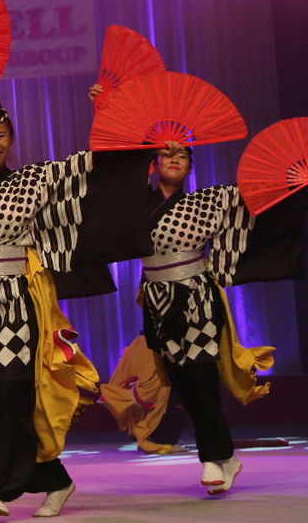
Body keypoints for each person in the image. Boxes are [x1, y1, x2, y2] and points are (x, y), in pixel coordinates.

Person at [0, 27, 154, 519]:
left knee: (13, 388)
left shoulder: (30, 183)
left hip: (15, 300)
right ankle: (55, 479)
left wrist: (111, 114)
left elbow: (89, 173)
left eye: (0, 136)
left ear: (11, 140)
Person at [87, 89, 305, 494]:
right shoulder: (134, 204)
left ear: (190, 167)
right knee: (183, 384)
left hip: (197, 298)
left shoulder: (209, 202)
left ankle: (212, 458)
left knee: (202, 377)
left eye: (183, 154)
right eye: (166, 152)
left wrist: (295, 181)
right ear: (152, 163)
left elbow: (258, 196)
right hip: (158, 300)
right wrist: (105, 109)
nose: (174, 157)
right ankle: (226, 458)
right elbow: (108, 176)